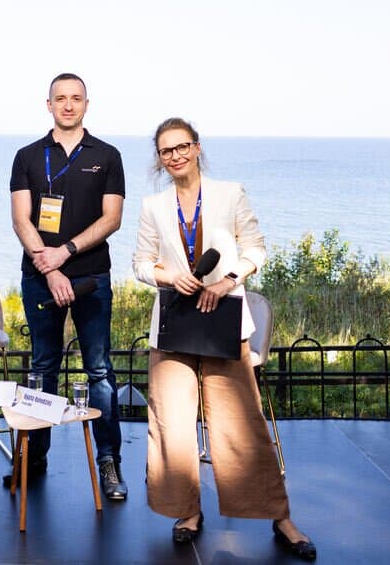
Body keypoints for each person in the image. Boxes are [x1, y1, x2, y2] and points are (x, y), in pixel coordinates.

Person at [131, 117, 316, 560]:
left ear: (196, 147)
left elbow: (255, 250)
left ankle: (281, 517)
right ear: (159, 159)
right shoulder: (153, 205)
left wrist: (228, 280)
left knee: (242, 425)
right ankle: (187, 512)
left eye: (182, 146)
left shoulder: (231, 193)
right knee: (172, 425)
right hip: (174, 323)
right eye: (166, 150)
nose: (175, 155)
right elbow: (140, 263)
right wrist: (169, 276)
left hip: (223, 319)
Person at [8, 73, 128, 499]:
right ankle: (33, 458)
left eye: (76, 98)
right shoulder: (27, 156)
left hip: (92, 278)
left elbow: (112, 219)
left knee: (99, 370)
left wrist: (66, 252)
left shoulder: (108, 155)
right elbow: (21, 219)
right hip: (41, 278)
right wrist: (50, 268)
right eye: (60, 98)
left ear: (86, 104)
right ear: (49, 104)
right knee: (43, 368)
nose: (68, 105)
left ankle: (109, 462)